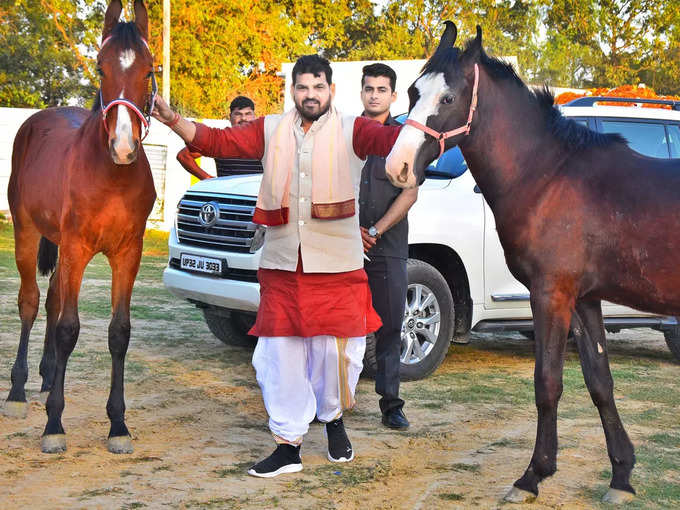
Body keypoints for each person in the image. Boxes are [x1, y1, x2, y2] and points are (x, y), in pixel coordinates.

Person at [152, 54, 402, 478]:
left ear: (331, 90)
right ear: (293, 91)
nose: (310, 95)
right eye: (302, 87)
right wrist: (171, 117)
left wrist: (436, 122)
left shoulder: (354, 130)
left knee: (337, 357)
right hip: (283, 265)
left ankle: (334, 419)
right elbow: (215, 142)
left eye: (318, 87)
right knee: (280, 357)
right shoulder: (269, 129)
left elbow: (395, 143)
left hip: (337, 267)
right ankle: (288, 445)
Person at [358, 64, 417, 430]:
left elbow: (410, 192)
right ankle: (328, 402)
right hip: (343, 246)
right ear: (361, 92)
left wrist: (375, 230)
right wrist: (351, 229)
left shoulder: (404, 137)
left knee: (390, 326)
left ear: (393, 95)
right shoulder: (347, 134)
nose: (375, 94)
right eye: (369, 88)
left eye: (382, 89)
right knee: (334, 326)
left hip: (387, 246)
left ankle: (391, 404)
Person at [175, 96, 264, 180]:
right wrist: (207, 179)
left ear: (254, 116)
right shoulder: (222, 139)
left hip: (258, 195)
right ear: (230, 117)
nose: (243, 118)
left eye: (248, 114)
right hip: (227, 194)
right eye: (238, 114)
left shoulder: (265, 140)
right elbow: (183, 156)